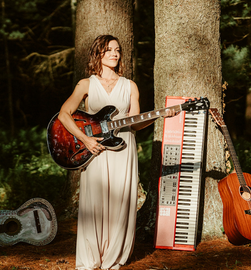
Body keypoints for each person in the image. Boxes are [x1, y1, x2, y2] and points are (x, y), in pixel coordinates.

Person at [58, 35, 174, 270]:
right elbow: (63, 114)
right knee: (94, 202)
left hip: (124, 148)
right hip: (96, 149)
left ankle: (113, 258)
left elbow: (135, 122)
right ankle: (90, 260)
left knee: (122, 201)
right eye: (108, 49)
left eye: (117, 50)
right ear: (98, 54)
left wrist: (159, 115)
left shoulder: (129, 85)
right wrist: (86, 139)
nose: (114, 53)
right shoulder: (86, 84)